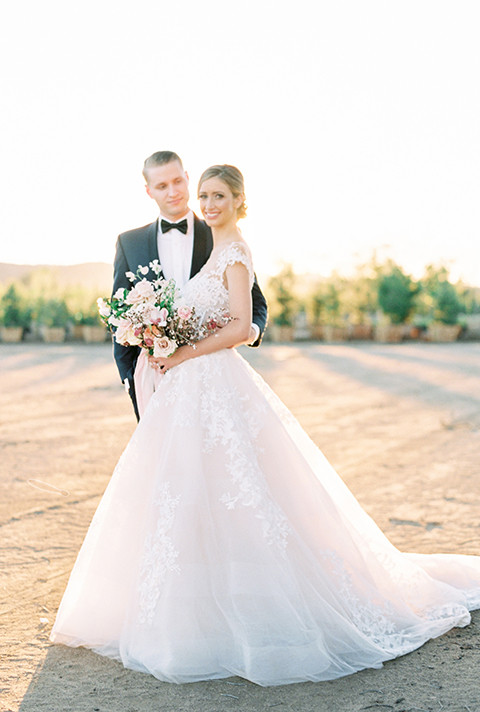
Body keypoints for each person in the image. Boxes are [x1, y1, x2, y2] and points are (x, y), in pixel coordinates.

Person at [50, 165, 480, 687]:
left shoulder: (231, 248)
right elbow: (131, 314)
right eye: (201, 195)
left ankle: (250, 605)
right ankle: (192, 597)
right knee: (178, 493)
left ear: (235, 199)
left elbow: (243, 318)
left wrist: (188, 349)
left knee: (241, 490)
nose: (204, 203)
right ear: (150, 189)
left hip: (209, 379)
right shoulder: (174, 243)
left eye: (213, 194)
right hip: (176, 385)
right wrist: (150, 349)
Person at [112, 151, 268, 419]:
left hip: (207, 377)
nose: (172, 192)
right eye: (162, 186)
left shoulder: (220, 232)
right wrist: (130, 378)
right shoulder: (130, 243)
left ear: (187, 178)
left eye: (177, 181)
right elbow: (120, 315)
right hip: (152, 380)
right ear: (149, 191)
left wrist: (244, 334)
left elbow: (255, 303)